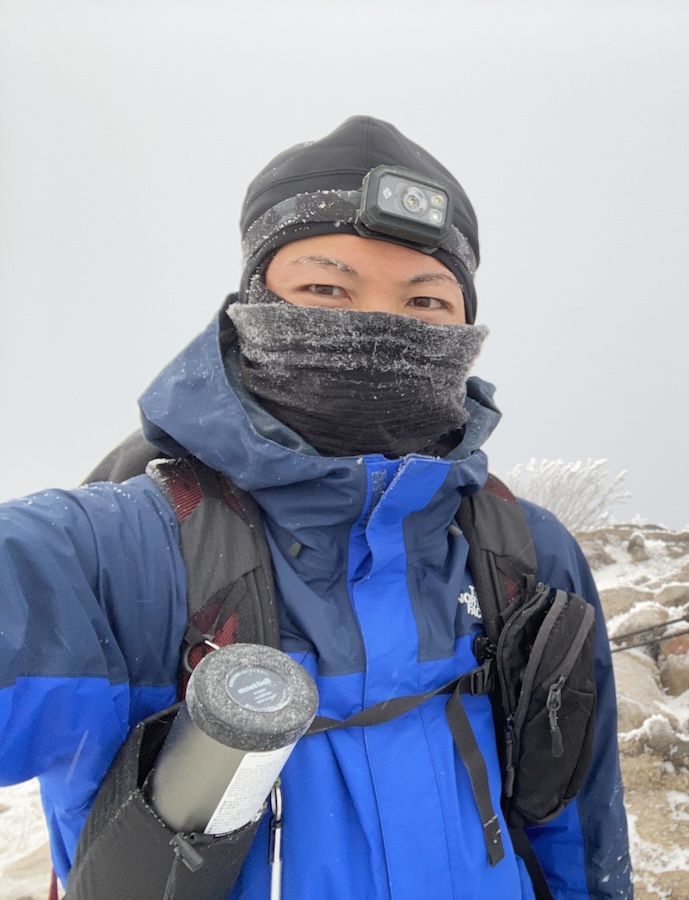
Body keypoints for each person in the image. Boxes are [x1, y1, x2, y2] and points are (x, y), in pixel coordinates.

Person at [0, 115, 632, 898]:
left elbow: (579, 824)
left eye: (427, 301)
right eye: (326, 288)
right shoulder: (118, 554)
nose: (376, 325)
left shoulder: (526, 553)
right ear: (253, 303)